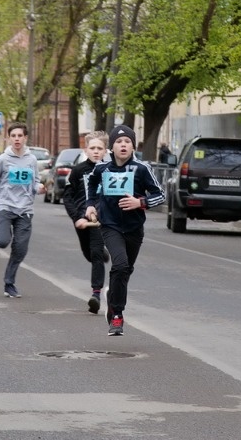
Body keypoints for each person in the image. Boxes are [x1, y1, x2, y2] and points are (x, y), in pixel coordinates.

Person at [85, 124, 164, 336]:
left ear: (133, 146)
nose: (123, 145)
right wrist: (91, 204)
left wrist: (141, 203)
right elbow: (91, 185)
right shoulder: (102, 168)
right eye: (119, 142)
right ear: (112, 147)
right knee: (119, 265)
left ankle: (113, 299)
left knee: (125, 270)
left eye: (127, 142)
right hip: (110, 225)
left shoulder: (141, 169)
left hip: (134, 228)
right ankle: (117, 316)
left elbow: (160, 195)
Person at [0, 122, 44, 298]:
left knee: (20, 249)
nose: (17, 139)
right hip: (5, 206)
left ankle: (9, 283)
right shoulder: (3, 159)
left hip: (25, 209)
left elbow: (35, 181)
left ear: (25, 138)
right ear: (8, 138)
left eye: (20, 136)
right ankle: (2, 235)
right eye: (14, 136)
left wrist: (39, 187)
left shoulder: (31, 159)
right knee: (2, 241)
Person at [63, 130, 110, 314]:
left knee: (96, 252)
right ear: (86, 150)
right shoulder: (78, 171)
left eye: (100, 148)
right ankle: (101, 255)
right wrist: (77, 218)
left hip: (101, 221)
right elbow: (68, 197)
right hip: (82, 219)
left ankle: (96, 294)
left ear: (105, 150)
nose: (96, 151)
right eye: (93, 148)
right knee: (89, 253)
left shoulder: (110, 171)